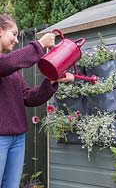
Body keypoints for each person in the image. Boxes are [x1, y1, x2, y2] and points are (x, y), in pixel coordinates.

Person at [0, 14, 74, 188]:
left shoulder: (12, 70)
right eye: (14, 33)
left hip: (17, 138)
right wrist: (40, 44)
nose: (17, 40)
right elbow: (7, 64)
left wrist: (52, 80)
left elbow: (29, 97)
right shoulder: (7, 65)